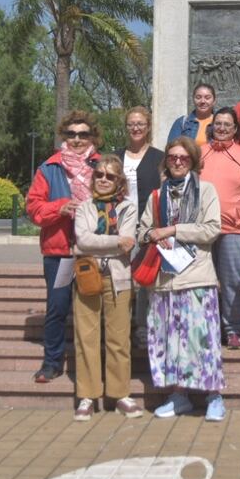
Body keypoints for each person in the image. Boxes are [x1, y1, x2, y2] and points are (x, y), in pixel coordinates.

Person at [136, 137, 226, 421]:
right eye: (172, 157)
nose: (177, 161)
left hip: (196, 276)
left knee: (203, 340)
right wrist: (151, 235)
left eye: (183, 158)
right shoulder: (156, 195)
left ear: (193, 161)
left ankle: (214, 396)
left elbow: (211, 229)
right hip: (164, 280)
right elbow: (142, 230)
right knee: (169, 341)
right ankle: (179, 396)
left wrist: (173, 230)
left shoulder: (206, 190)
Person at [26, 111, 102, 383]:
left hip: (93, 250)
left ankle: (92, 364)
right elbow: (34, 209)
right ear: (64, 136)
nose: (77, 139)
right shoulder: (49, 168)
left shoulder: (102, 165)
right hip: (60, 253)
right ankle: (52, 363)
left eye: (83, 134)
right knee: (57, 309)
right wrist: (60, 207)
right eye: (71, 134)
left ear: (92, 136)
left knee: (93, 310)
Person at [72, 154, 141, 420]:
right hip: (88, 275)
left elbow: (129, 240)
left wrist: (96, 241)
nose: (103, 179)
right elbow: (82, 240)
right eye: (99, 174)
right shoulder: (84, 207)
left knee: (119, 337)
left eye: (110, 176)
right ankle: (87, 395)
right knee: (86, 337)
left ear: (119, 181)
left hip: (119, 277)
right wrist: (115, 242)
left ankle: (120, 392)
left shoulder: (128, 208)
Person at [199, 107, 240, 350]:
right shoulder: (199, 154)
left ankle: (233, 329)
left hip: (234, 230)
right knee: (202, 282)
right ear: (212, 126)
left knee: (233, 281)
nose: (222, 128)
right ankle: (206, 327)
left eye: (227, 124)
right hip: (201, 231)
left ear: (235, 129)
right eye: (218, 123)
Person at [116, 106, 165, 347]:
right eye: (131, 124)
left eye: (140, 124)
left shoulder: (158, 158)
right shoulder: (116, 157)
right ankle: (119, 325)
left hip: (145, 227)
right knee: (120, 278)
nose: (136, 128)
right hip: (119, 228)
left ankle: (143, 327)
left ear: (148, 127)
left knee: (144, 281)